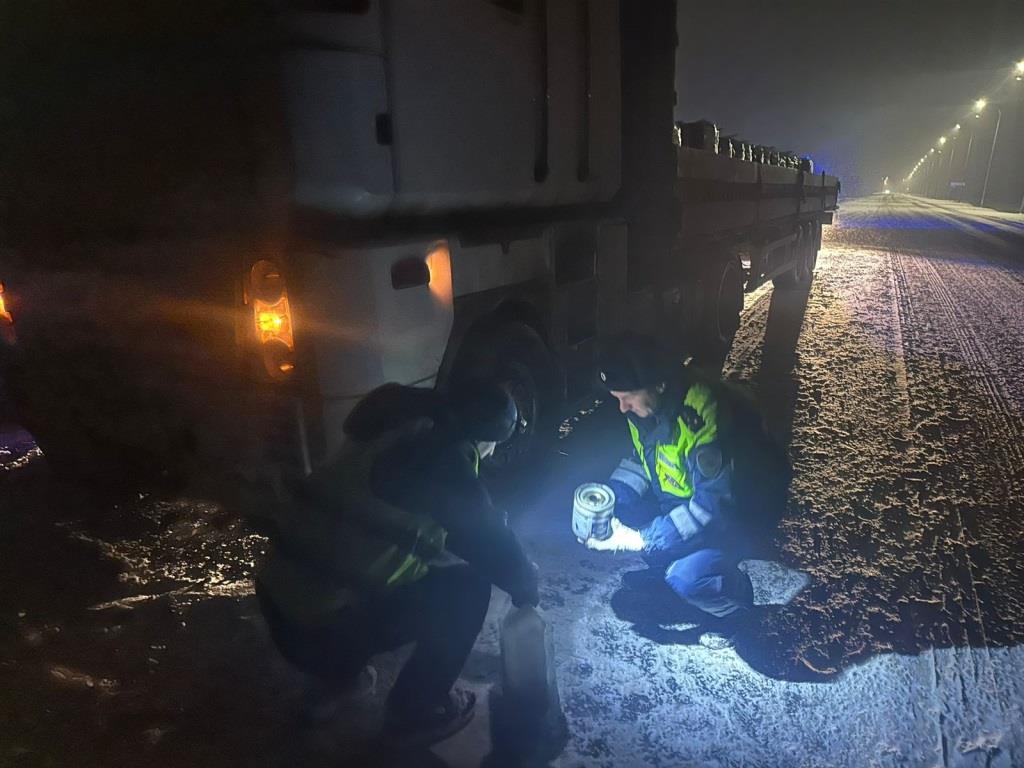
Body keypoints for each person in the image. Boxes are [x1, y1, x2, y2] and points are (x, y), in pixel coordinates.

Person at [256, 379, 539, 747]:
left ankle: (336, 683)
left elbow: (389, 528)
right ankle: (416, 710)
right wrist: (526, 586)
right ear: (483, 436)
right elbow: (491, 546)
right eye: (490, 447)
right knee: (467, 590)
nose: (486, 456)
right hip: (318, 635)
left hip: (278, 605)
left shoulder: (394, 425)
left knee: (369, 573)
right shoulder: (441, 459)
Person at [584, 332, 784, 647]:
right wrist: (608, 498)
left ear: (659, 384)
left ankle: (735, 610)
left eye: (627, 397)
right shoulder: (651, 408)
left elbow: (711, 508)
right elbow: (642, 462)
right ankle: (669, 566)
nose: (622, 408)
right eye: (616, 398)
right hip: (692, 501)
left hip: (741, 513)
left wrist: (641, 538)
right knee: (632, 515)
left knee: (688, 577)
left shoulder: (702, 416)